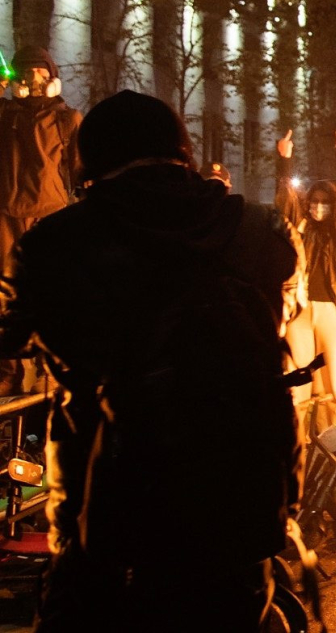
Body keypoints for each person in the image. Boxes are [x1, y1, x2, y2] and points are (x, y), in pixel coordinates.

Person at [0, 90, 301, 630]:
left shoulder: (56, 245)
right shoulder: (257, 230)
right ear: (180, 148)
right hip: (242, 495)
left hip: (114, 511)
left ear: (89, 158)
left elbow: (10, 333)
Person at [0, 46, 80, 396]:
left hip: (51, 215)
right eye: (26, 73)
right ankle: (8, 370)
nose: (34, 80)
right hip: (5, 215)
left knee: (54, 294)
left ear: (51, 77)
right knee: (3, 296)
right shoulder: (3, 115)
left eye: (40, 72)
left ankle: (51, 372)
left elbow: (80, 171)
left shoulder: (67, 120)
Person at [275, 128, 336, 432]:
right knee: (299, 379)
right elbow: (286, 201)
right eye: (314, 200)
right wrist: (284, 161)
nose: (318, 206)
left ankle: (335, 440)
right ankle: (298, 439)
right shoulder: (300, 226)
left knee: (334, 381)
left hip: (334, 310)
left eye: (325, 201)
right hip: (301, 311)